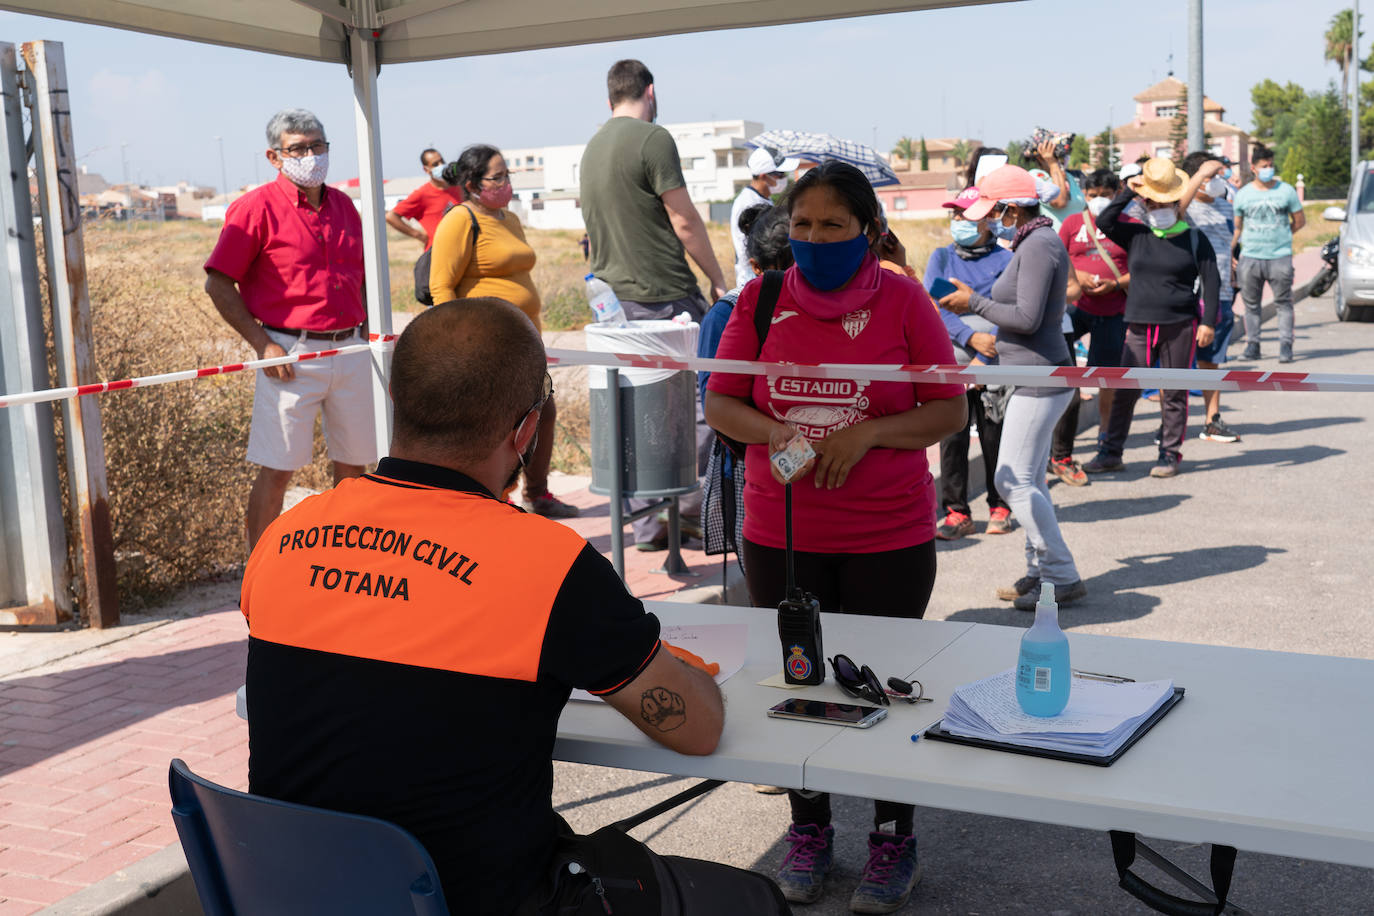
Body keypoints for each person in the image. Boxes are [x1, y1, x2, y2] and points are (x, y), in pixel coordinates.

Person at [242, 298, 790, 916]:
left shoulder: (286, 534)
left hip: (295, 893)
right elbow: (698, 728)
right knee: (756, 900)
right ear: (525, 430)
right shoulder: (546, 562)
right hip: (475, 899)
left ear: (395, 400)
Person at [706, 161, 966, 913]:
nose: (815, 239)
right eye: (804, 225)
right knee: (797, 684)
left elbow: (947, 413)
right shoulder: (756, 301)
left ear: (869, 232)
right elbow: (721, 403)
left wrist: (874, 433)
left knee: (882, 688)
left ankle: (892, 840)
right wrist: (775, 429)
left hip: (888, 534)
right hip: (781, 533)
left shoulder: (905, 299)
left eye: (833, 226)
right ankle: (810, 830)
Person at [204, 108, 374, 552]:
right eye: (298, 148)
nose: (311, 155)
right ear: (275, 156)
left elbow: (364, 278)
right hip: (288, 354)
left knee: (355, 467)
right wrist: (262, 345)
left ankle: (345, 558)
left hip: (351, 348)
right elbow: (218, 282)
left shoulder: (344, 206)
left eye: (318, 145)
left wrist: (370, 335)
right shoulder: (255, 208)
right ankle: (259, 570)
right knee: (278, 468)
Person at [580, 59, 727, 548]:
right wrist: (718, 278)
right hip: (665, 295)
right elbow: (684, 220)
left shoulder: (593, 147)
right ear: (650, 90)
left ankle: (647, 523)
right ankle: (684, 507)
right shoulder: (652, 138)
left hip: (613, 302)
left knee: (629, 413)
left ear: (608, 99)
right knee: (705, 402)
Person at [939, 165, 1087, 612]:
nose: (987, 220)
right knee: (1029, 479)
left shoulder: (1039, 245)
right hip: (1032, 374)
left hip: (1039, 377)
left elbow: (1026, 318)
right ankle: (1042, 570)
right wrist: (976, 299)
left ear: (1011, 209)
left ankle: (1060, 574)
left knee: (1011, 478)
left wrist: (973, 302)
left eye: (993, 211)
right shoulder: (1033, 241)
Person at [428, 143, 578, 518]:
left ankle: (537, 493)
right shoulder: (460, 220)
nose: (506, 183)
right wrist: (456, 344)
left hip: (527, 343)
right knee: (503, 427)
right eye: (497, 177)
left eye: (508, 175)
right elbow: (442, 286)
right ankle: (498, 499)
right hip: (486, 347)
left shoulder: (508, 218)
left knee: (543, 412)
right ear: (473, 183)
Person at [1084, 157, 1220, 479]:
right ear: (1144, 203)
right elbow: (1104, 221)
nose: (1160, 207)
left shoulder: (1195, 239)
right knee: (1125, 391)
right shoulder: (1136, 235)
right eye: (1153, 201)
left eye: (1166, 202)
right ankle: (1111, 452)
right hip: (1138, 326)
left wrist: (1208, 322)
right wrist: (1128, 192)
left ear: (1177, 202)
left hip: (1179, 326)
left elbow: (1212, 282)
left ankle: (1169, 454)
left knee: (1173, 393)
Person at [927, 186, 1015, 540]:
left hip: (994, 359)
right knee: (952, 439)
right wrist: (969, 339)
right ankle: (956, 512)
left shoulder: (1007, 260)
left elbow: (1008, 309)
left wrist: (984, 351)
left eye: (968, 215)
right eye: (956, 214)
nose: (960, 221)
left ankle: (1000, 505)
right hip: (953, 362)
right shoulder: (941, 257)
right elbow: (935, 307)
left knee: (996, 436)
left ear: (988, 220)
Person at [1048, 169, 1132, 485]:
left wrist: (1116, 283)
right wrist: (1078, 279)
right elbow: (1056, 262)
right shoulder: (1071, 225)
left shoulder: (1127, 225)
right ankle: (1058, 448)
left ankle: (1106, 442)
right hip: (1074, 310)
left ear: (1116, 194)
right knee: (1063, 378)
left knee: (1107, 379)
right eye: (1092, 194)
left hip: (1113, 310)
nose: (1098, 200)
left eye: (1104, 195)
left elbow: (1140, 268)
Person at [1179, 152, 1242, 442]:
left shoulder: (1225, 207)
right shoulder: (1185, 206)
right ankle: (1172, 425)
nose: (1217, 181)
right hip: (1189, 291)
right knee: (1176, 362)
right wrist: (1199, 175)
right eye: (1212, 176)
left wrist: (1230, 261)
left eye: (1218, 176)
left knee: (1211, 359)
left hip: (1221, 293)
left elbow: (1227, 242)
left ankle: (1211, 420)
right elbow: (1177, 209)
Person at [1233, 144, 1304, 362]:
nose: (1269, 169)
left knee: (1283, 302)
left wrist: (1282, 236)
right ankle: (1252, 345)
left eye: (1271, 165)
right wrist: (1231, 253)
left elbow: (1300, 221)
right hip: (1251, 257)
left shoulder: (1286, 191)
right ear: (1253, 168)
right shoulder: (1243, 195)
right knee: (1251, 305)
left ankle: (1286, 346)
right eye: (1264, 166)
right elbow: (1238, 227)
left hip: (1279, 257)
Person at [731, 147, 799, 287]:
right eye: (780, 174)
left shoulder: (765, 199)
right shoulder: (748, 202)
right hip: (754, 278)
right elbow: (747, 249)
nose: (784, 178)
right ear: (763, 176)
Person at [385, 148, 464, 250]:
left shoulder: (458, 187)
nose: (441, 166)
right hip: (436, 252)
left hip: (462, 250)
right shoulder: (422, 194)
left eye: (442, 161)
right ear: (426, 170)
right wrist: (418, 235)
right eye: (435, 164)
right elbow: (391, 217)